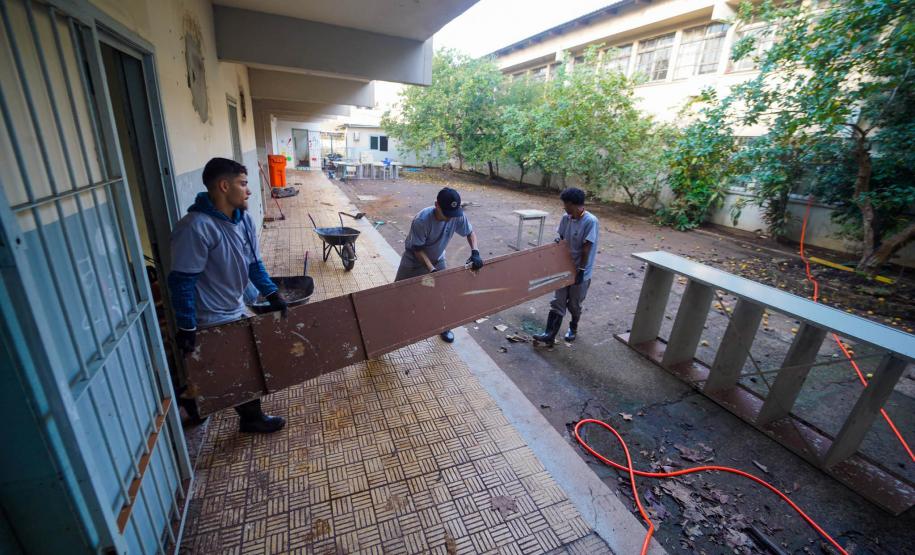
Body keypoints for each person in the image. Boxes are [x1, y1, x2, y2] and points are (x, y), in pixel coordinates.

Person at [167, 157, 288, 433]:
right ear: (223, 186)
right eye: (243, 184)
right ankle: (245, 417)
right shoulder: (196, 227)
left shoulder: (244, 220)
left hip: (233, 305)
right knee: (235, 366)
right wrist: (187, 325)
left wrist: (272, 294)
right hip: (207, 313)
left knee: (225, 365)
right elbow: (182, 281)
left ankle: (200, 407)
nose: (249, 190)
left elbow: (254, 264)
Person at [395, 187, 484, 343]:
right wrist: (431, 270)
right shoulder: (422, 221)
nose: (450, 218)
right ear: (437, 205)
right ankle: (390, 325)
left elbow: (470, 233)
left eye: (453, 214)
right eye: (447, 214)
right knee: (397, 292)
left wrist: (475, 252)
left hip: (437, 258)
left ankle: (444, 326)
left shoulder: (456, 215)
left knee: (442, 292)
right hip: (414, 260)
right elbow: (418, 250)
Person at [534, 187, 599, 345]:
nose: (564, 207)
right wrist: (559, 242)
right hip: (565, 268)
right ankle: (549, 335)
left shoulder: (591, 221)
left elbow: (586, 248)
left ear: (575, 205)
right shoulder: (566, 218)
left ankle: (573, 327)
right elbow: (562, 237)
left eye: (566, 204)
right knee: (558, 301)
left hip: (581, 270)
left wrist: (581, 272)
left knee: (574, 305)